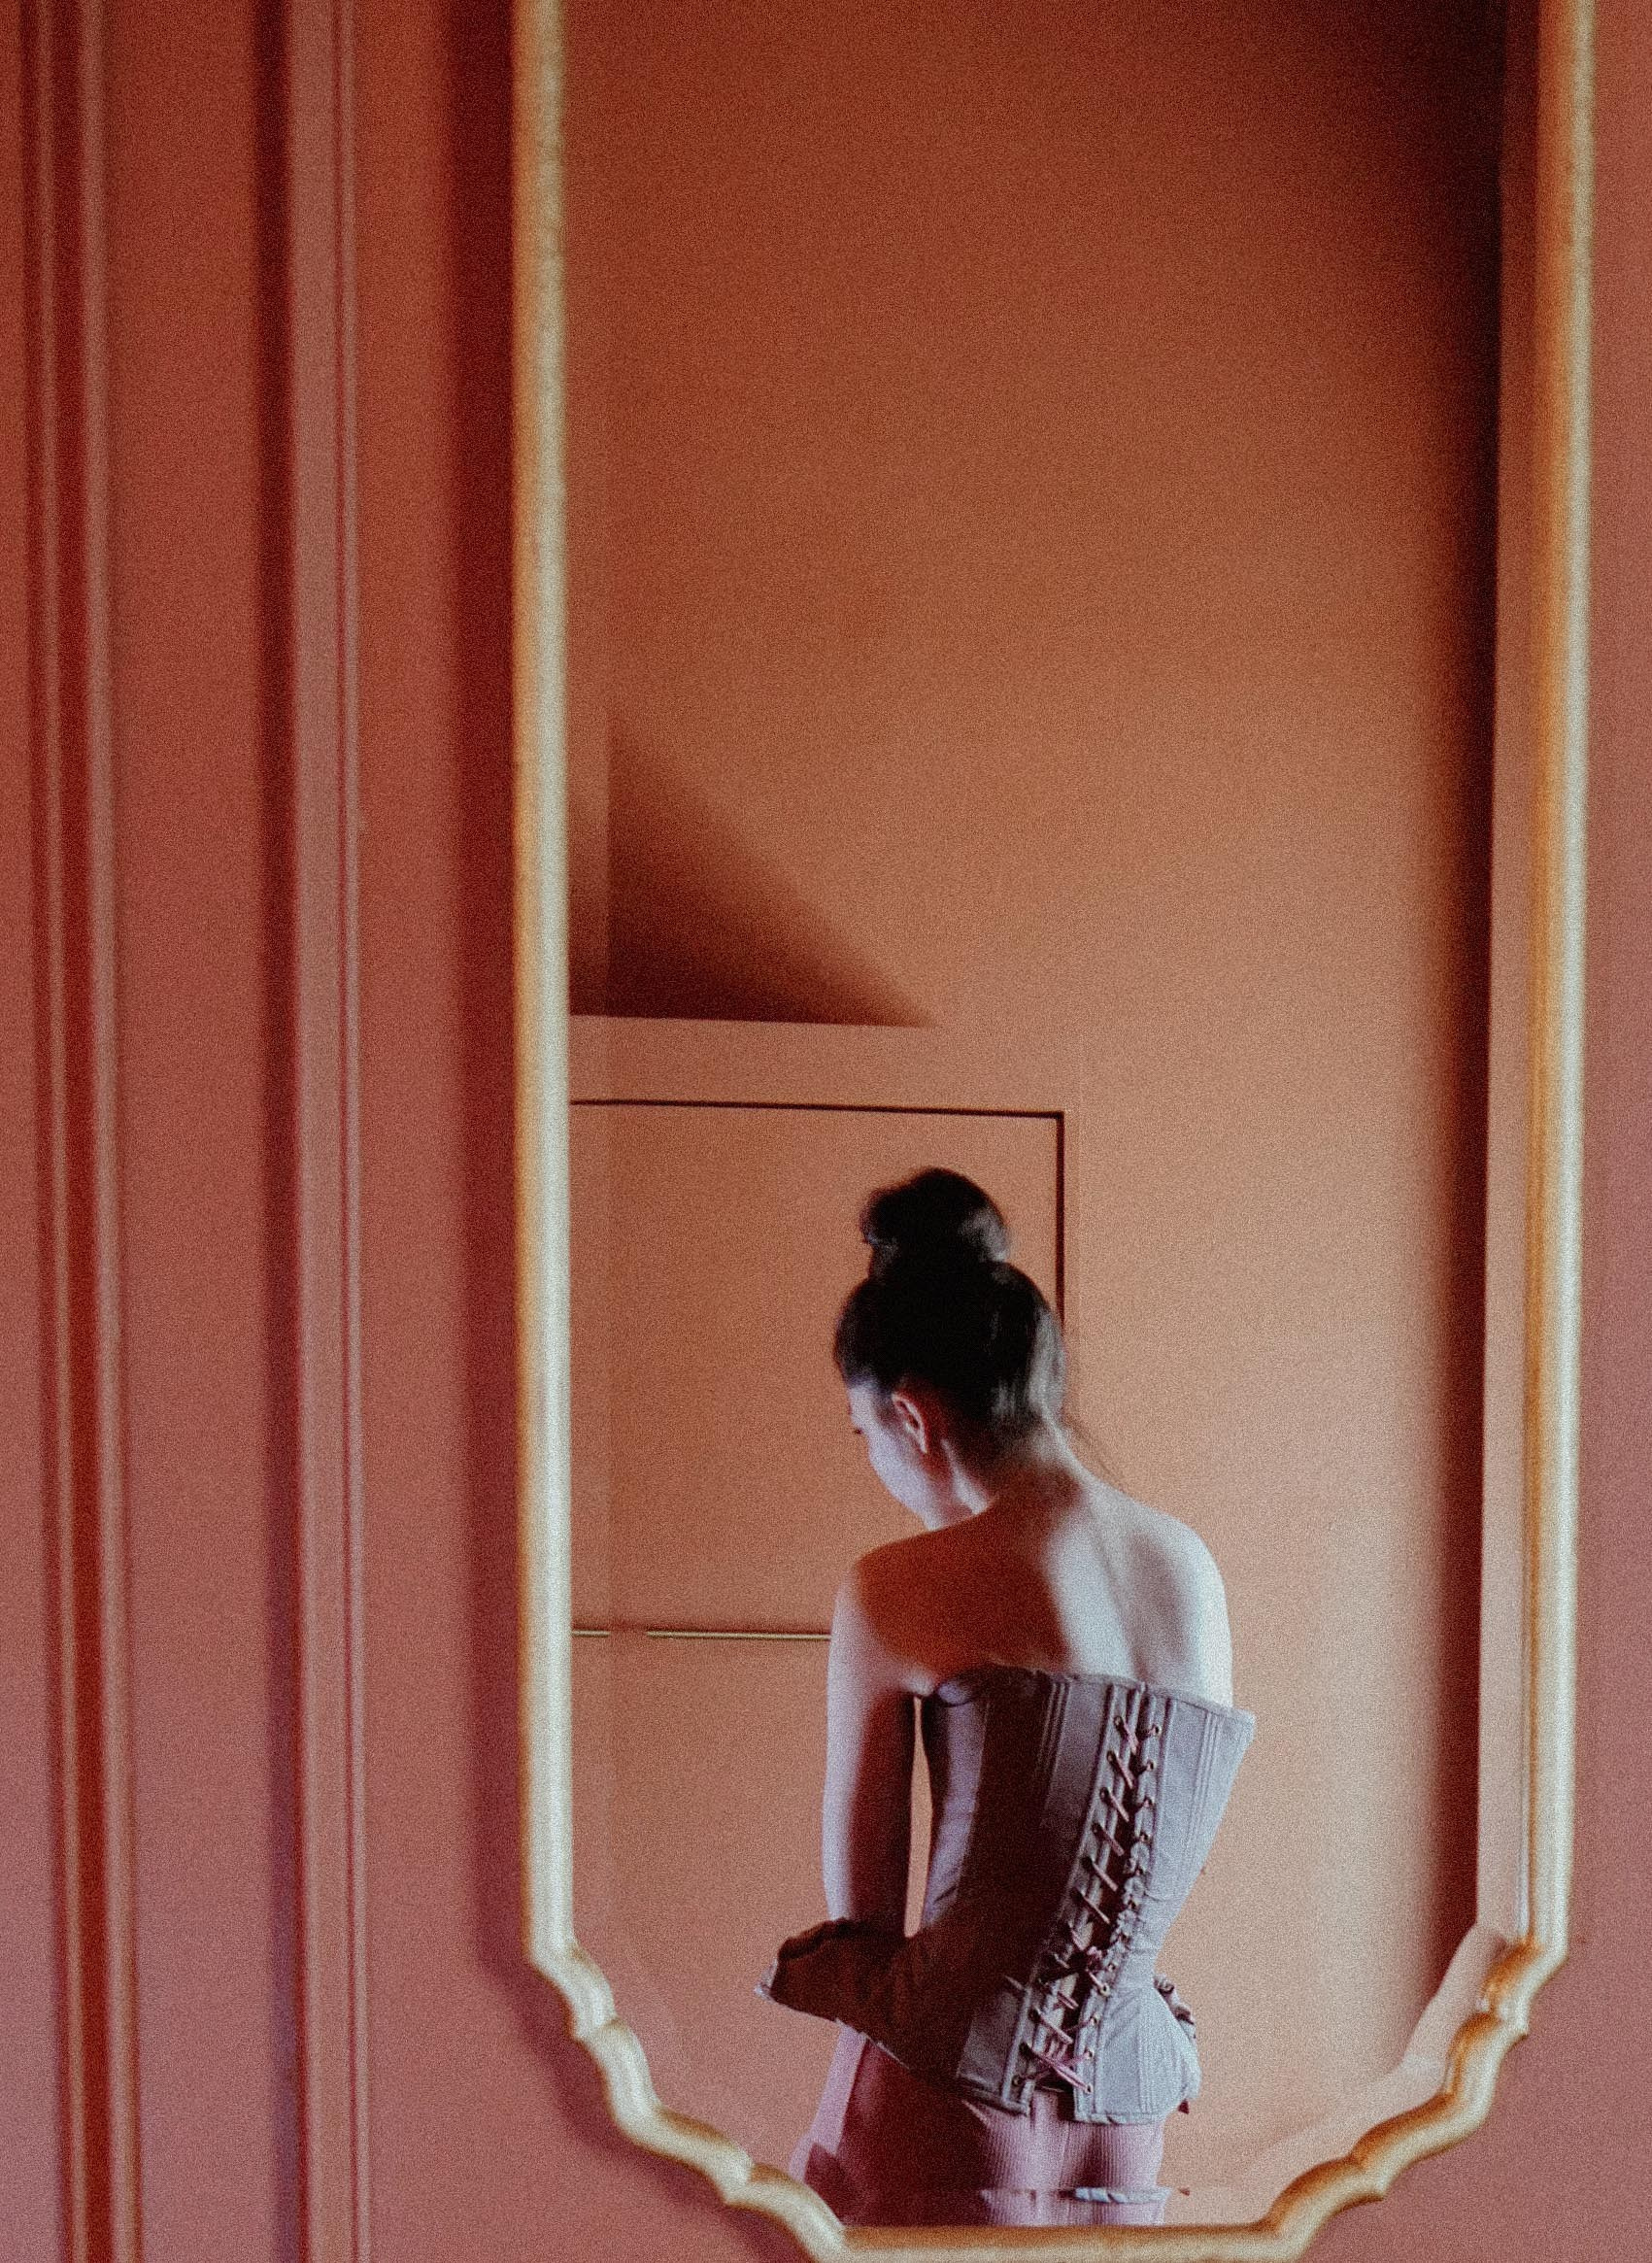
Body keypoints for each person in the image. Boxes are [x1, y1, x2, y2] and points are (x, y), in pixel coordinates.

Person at [757, 1167, 1253, 2228]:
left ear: (909, 1413)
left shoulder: (895, 1585)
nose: (876, 1462)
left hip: (939, 2107)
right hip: (1125, 2119)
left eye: (863, 1436)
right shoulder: (1190, 1569)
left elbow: (865, 1926)